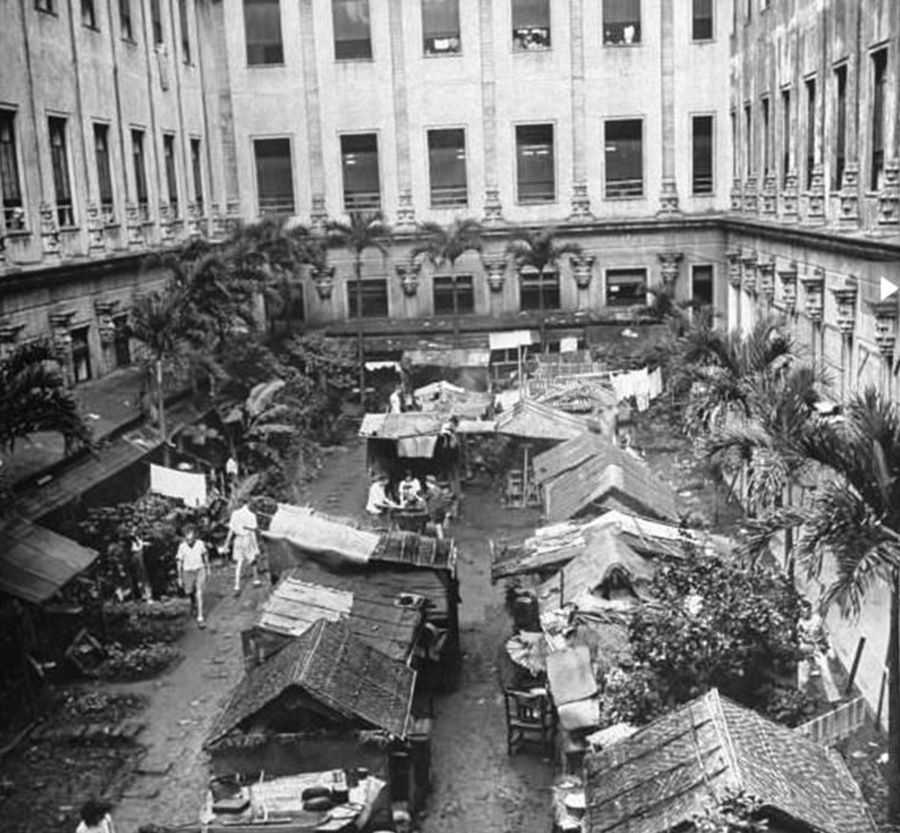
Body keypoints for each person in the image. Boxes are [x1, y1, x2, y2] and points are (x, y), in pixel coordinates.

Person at [224, 501, 261, 596]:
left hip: (238, 539)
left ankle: (237, 586)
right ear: (248, 504)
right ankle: (256, 580)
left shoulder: (235, 514)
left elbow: (231, 530)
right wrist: (256, 546)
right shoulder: (251, 515)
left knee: (239, 563)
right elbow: (253, 531)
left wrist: (226, 544)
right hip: (247, 539)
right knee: (253, 560)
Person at [176, 525, 209, 628]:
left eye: (191, 539)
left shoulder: (200, 544)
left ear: (194, 537)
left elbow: (205, 555)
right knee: (190, 592)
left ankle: (200, 617)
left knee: (199, 592)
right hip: (187, 571)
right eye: (187, 539)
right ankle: (193, 603)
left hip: (199, 569)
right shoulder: (182, 547)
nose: (189, 541)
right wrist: (180, 577)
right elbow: (179, 562)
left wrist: (208, 567)